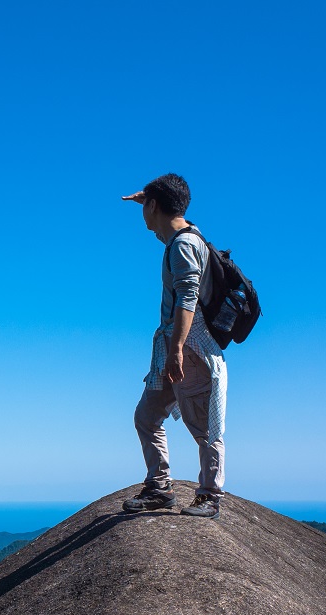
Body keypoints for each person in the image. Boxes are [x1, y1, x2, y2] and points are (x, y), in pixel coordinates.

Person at [119, 173, 226, 518]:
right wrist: (148, 197)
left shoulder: (183, 246)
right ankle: (159, 487)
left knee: (204, 428)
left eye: (146, 206)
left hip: (189, 351)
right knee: (147, 416)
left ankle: (210, 495)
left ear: (153, 206)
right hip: (171, 348)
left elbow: (188, 296)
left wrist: (178, 347)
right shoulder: (181, 238)